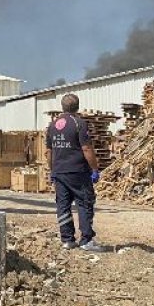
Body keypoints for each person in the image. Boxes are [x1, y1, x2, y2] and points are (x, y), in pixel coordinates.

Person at [45, 93, 108, 252]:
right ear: (77, 106)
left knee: (63, 205)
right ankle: (86, 240)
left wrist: (52, 170)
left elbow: (48, 151)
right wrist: (94, 168)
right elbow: (86, 148)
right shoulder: (79, 124)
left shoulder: (52, 126)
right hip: (78, 172)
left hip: (59, 172)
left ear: (62, 107)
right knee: (84, 202)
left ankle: (67, 240)